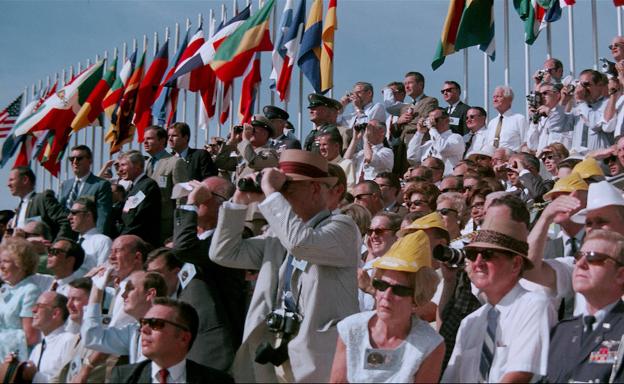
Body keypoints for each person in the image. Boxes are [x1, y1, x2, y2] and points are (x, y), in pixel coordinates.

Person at [210, 149, 361, 382]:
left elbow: (301, 243)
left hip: (319, 356)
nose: (281, 196)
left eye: (287, 188)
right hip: (276, 345)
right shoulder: (279, 236)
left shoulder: (342, 227)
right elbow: (224, 252)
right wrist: (239, 201)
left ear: (314, 188)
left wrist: (270, 192)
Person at [442, 203, 555, 383]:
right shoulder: (470, 322)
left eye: (487, 254)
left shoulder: (534, 304)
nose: (477, 262)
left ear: (516, 264)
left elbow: (520, 375)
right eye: (471, 254)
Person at [330, 230, 444, 383]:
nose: (386, 295)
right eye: (381, 285)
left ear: (416, 299)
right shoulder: (350, 328)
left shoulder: (430, 344)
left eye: (399, 290)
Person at [173, 176, 248, 345]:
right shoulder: (195, 239)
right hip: (191, 333)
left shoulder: (230, 239)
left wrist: (191, 201)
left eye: (203, 195)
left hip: (217, 341)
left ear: (222, 203)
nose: (196, 199)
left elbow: (183, 247)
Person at [546, 229, 624, 383]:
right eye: (578, 256)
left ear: (620, 275)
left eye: (593, 258)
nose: (580, 264)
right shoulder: (562, 331)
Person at [144, 248, 235, 371]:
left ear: (176, 272)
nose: (153, 281)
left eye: (157, 274)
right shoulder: (161, 302)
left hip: (215, 364)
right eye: (149, 275)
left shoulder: (196, 287)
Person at [109, 298, 233, 383]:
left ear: (184, 338)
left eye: (155, 323)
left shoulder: (216, 381)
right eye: (143, 323)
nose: (144, 330)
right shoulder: (124, 377)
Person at [82, 270, 168, 364]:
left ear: (150, 294)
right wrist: (97, 288)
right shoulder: (133, 330)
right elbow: (92, 338)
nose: (123, 295)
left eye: (130, 288)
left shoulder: (166, 329)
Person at [144, 125, 189, 244]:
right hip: (147, 224)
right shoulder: (147, 163)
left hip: (166, 226)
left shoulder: (175, 162)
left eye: (150, 139)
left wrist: (179, 228)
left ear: (162, 140)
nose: (145, 142)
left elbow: (182, 197)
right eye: (145, 139)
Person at [0, 238, 41, 360]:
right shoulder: (5, 289)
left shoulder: (30, 291)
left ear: (21, 264)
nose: (1, 266)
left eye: (5, 261)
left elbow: (30, 336)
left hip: (14, 361)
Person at [7, 166, 73, 241]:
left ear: (25, 180)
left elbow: (65, 221)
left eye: (11, 180)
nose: (8, 184)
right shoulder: (19, 208)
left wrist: (56, 247)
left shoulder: (43, 199)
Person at [59, 145, 112, 235]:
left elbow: (103, 215)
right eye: (72, 159)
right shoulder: (65, 185)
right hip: (64, 235)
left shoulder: (100, 185)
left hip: (86, 235)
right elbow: (60, 212)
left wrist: (97, 238)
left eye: (79, 158)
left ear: (90, 160)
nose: (74, 162)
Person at [28, 291, 76, 383]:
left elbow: (69, 379)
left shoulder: (69, 341)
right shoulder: (37, 348)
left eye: (40, 306)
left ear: (55, 313)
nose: (33, 310)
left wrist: (34, 375)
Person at [117, 150, 162, 247]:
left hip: (141, 244)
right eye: (119, 166)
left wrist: (120, 239)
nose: (120, 170)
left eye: (123, 165)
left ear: (137, 166)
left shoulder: (147, 186)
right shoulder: (134, 187)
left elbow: (139, 218)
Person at [406, 107, 464, 175]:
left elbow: (442, 149)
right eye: (429, 120)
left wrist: (432, 129)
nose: (431, 122)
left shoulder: (456, 138)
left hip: (445, 180)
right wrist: (419, 133)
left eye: (434, 120)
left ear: (447, 120)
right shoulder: (430, 143)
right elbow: (412, 157)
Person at [569, 70, 614, 151]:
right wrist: (564, 101)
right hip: (578, 157)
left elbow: (595, 124)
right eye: (580, 84)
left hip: (598, 158)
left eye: (586, 84)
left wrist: (581, 101)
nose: (583, 88)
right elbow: (561, 126)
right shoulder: (579, 105)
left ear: (599, 85)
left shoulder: (608, 103)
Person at [527, 82, 574, 151]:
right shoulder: (541, 119)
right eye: (539, 95)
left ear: (557, 95)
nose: (542, 97)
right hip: (544, 159)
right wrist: (535, 122)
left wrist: (550, 112)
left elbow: (556, 126)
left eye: (545, 93)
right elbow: (532, 146)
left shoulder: (565, 115)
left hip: (560, 158)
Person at [68, 196, 112, 269]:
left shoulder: (103, 242)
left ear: (88, 215)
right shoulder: (75, 243)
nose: (69, 217)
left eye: (74, 213)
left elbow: (101, 275)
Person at [486, 86, 528, 151]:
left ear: (509, 99)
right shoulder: (492, 123)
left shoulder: (519, 119)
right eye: (494, 97)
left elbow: (526, 143)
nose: (495, 100)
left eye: (498, 96)